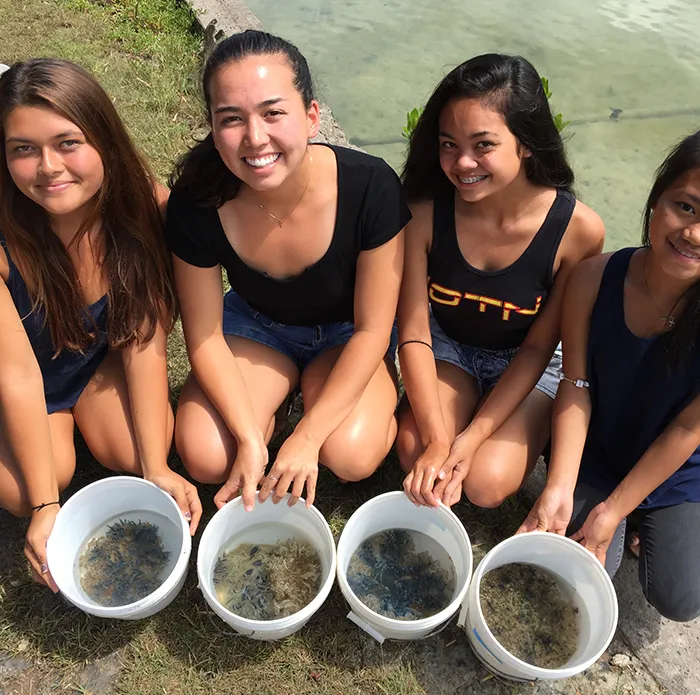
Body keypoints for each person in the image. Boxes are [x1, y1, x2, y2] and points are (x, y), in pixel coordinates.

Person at [167, 30, 409, 512]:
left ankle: (308, 406)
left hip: (347, 333)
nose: (255, 138)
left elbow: (374, 328)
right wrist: (248, 438)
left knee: (351, 455)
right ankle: (268, 413)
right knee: (207, 455)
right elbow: (205, 337)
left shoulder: (369, 186)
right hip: (257, 326)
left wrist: (308, 436)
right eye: (231, 119)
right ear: (214, 129)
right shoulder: (198, 201)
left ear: (311, 115)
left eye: (273, 112)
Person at [0, 58, 202, 591]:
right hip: (19, 381)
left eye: (68, 142)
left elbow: (144, 337)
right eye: (24, 148)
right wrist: (46, 506)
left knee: (133, 453)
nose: (48, 166)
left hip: (88, 365)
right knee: (27, 490)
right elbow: (16, 374)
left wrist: (157, 468)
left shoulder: (145, 208)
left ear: (104, 139)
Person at [397, 54, 605, 509]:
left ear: (526, 142)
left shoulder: (577, 230)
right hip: (450, 346)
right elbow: (413, 333)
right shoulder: (425, 213)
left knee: (486, 484)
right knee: (416, 452)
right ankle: (451, 422)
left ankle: (510, 427)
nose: (462, 162)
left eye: (483, 144)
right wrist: (438, 440)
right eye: (448, 144)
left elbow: (537, 348)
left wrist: (470, 439)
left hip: (528, 362)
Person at [519, 131, 700, 622]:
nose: (693, 234)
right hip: (598, 448)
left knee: (679, 599)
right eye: (685, 206)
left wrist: (614, 509)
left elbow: (687, 429)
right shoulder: (594, 278)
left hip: (676, 465)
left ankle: (645, 516)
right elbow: (575, 385)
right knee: (561, 566)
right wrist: (558, 487)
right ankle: (619, 514)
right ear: (656, 200)